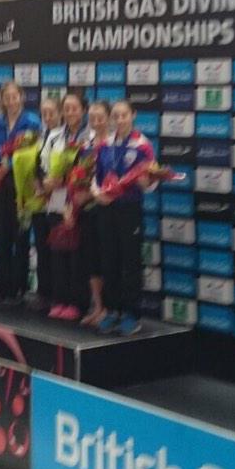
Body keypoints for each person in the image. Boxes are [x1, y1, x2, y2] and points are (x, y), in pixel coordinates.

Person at [93, 100, 154, 336]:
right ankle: (112, 310)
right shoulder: (105, 144)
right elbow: (96, 177)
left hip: (129, 209)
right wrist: (98, 194)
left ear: (133, 115)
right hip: (107, 209)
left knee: (130, 261)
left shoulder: (142, 145)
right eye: (116, 116)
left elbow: (150, 181)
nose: (119, 120)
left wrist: (146, 182)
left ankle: (131, 314)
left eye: (124, 115)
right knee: (109, 259)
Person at [0, 81, 40, 303]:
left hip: (22, 187)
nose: (11, 101)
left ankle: (20, 288)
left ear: (22, 97)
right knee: (3, 236)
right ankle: (3, 287)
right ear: (2, 100)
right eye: (6, 97)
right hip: (0, 186)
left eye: (14, 96)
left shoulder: (32, 122)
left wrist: (13, 165)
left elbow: (36, 153)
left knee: (21, 238)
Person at [42, 91, 90, 320]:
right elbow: (42, 164)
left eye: (74, 108)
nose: (70, 112)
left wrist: (69, 180)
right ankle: (59, 300)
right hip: (56, 200)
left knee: (77, 254)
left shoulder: (89, 136)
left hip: (79, 202)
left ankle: (76, 302)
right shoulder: (54, 136)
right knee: (58, 252)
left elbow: (91, 169)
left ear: (83, 110)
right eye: (67, 109)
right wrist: (47, 181)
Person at [78, 101, 111, 327]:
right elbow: (80, 175)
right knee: (92, 259)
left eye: (100, 118)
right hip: (88, 207)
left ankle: (110, 308)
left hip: (109, 206)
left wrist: (95, 193)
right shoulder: (86, 143)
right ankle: (98, 307)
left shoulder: (115, 143)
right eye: (92, 119)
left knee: (108, 258)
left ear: (108, 118)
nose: (96, 122)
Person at [30, 97, 62, 312]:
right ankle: (44, 293)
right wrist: (37, 184)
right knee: (42, 248)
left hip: (58, 199)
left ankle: (59, 296)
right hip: (40, 200)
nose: (48, 117)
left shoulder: (65, 137)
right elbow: (35, 166)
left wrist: (51, 186)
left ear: (60, 114)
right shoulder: (39, 137)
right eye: (44, 114)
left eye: (52, 113)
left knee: (57, 250)